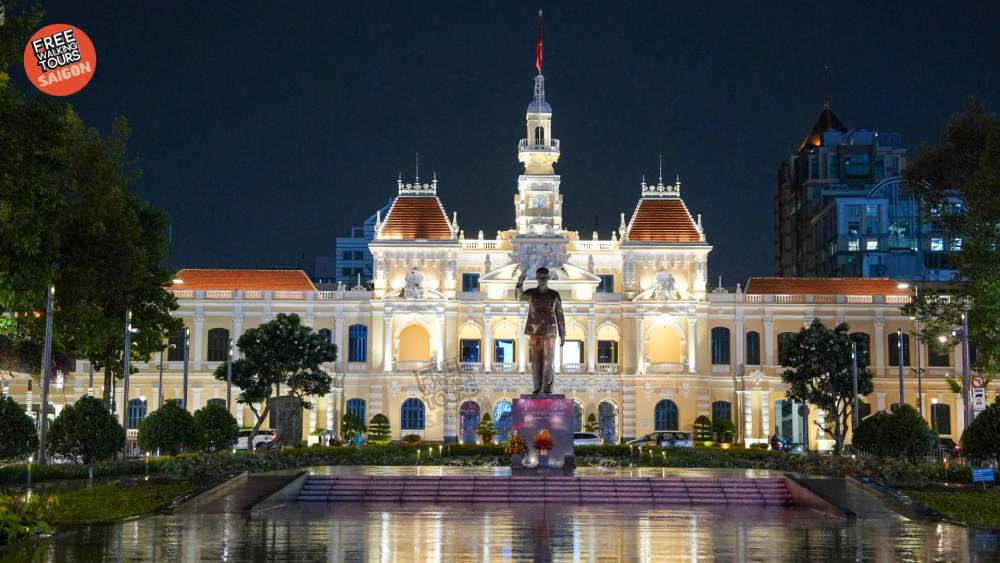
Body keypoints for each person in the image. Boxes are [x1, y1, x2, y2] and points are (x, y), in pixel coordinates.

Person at [515, 266, 566, 395]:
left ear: (548, 278)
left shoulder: (554, 295)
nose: (542, 279)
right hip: (535, 330)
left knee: (549, 360)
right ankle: (537, 387)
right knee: (536, 361)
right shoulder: (531, 293)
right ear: (537, 278)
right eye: (540, 277)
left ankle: (547, 388)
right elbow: (519, 297)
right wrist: (520, 283)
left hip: (550, 331)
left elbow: (560, 315)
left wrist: (562, 333)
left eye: (544, 277)